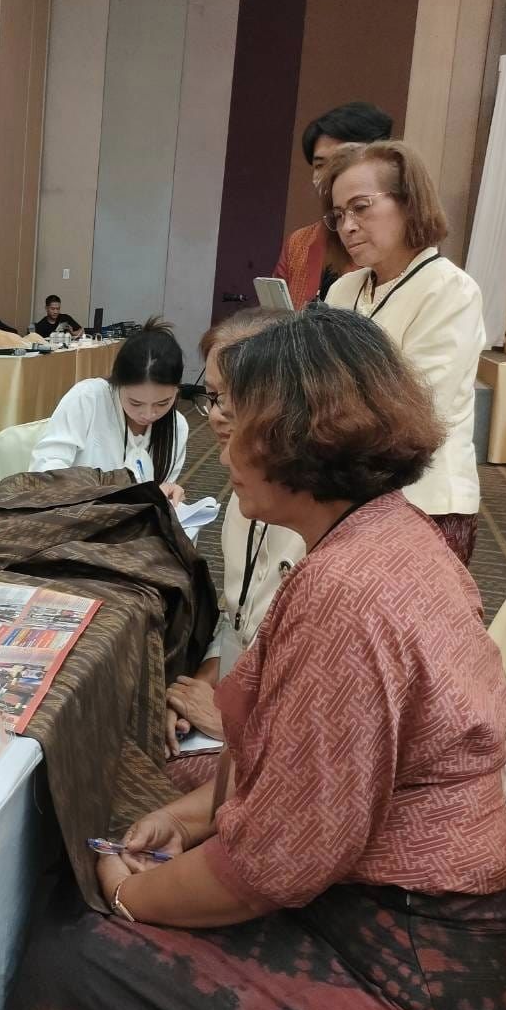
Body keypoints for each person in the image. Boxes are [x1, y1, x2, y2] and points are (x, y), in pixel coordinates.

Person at [5, 306, 506, 1010]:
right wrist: (187, 819)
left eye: (240, 421)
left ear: (301, 440)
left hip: (424, 974)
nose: (221, 450)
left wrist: (131, 899)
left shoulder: (347, 596)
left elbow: (272, 865)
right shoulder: (386, 535)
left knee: (73, 955)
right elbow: (298, 777)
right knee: (148, 797)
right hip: (408, 913)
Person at [321, 139, 483, 564]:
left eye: (361, 207)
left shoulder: (449, 289)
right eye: (338, 215)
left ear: (409, 203)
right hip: (348, 493)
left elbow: (418, 406)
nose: (348, 225)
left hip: (423, 501)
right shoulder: (344, 288)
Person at [164, 310, 303, 774]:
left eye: (227, 399)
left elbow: (330, 745)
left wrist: (233, 724)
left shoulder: (337, 539)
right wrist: (197, 690)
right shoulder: (248, 496)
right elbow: (238, 622)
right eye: (211, 398)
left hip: (281, 750)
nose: (215, 416)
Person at [29, 319, 189, 504]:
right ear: (117, 383)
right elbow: (45, 469)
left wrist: (168, 493)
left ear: (177, 391)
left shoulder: (177, 427)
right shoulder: (89, 398)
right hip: (76, 518)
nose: (148, 414)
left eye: (163, 403)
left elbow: (162, 490)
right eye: (135, 403)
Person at [272, 101, 393, 307]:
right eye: (320, 165)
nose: (329, 174)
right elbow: (272, 320)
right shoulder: (299, 243)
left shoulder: (393, 249)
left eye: (341, 161)